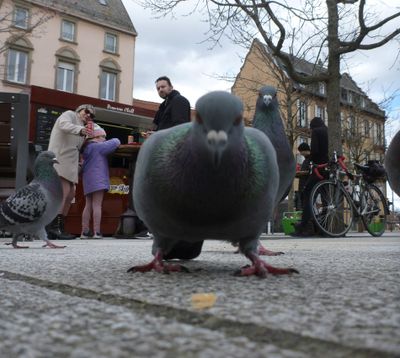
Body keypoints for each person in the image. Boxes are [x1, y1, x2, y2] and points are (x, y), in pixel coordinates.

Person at [46, 104, 95, 240]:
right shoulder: (69, 114)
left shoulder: (83, 127)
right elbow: (64, 125)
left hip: (71, 163)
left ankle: (59, 227)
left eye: (92, 115)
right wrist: (82, 130)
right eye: (87, 111)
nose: (89, 115)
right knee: (64, 192)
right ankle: (54, 227)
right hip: (60, 158)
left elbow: (77, 147)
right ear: (79, 110)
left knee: (70, 194)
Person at [80, 124, 120, 239]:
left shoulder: (86, 148)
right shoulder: (98, 147)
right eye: (103, 137)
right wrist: (112, 140)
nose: (105, 139)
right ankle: (97, 232)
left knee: (88, 205)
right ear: (97, 137)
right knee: (97, 205)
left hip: (87, 180)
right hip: (98, 179)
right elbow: (115, 142)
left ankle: (84, 231)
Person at [292, 117, 329, 236]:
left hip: (318, 168)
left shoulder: (316, 132)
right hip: (326, 167)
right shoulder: (326, 131)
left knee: (307, 194)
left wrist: (311, 159)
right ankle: (324, 227)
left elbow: (315, 150)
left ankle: (304, 226)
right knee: (325, 198)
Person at [295, 142, 311, 210]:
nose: (301, 154)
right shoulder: (305, 160)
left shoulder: (311, 159)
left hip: (307, 185)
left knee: (307, 205)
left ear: (305, 150)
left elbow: (310, 171)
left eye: (301, 151)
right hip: (302, 187)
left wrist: (300, 173)